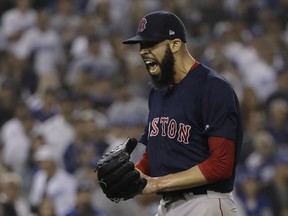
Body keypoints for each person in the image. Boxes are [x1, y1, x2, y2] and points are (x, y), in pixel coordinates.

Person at [122, 10, 243, 216]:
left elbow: (221, 164)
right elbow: (156, 153)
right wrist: (130, 177)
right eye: (141, 46)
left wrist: (158, 184)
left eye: (150, 44)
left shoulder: (212, 87)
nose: (143, 51)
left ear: (175, 44)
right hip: (168, 204)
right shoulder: (158, 92)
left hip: (205, 202)